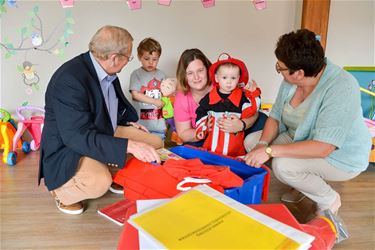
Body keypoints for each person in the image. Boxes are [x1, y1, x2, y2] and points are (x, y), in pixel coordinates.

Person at [244, 29, 371, 214]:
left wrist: (270, 150)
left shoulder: (342, 86)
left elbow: (324, 147)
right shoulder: (291, 80)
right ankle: (304, 184)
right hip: (298, 137)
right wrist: (262, 144)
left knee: (283, 166)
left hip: (339, 155)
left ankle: (329, 199)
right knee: (252, 143)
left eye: (280, 68)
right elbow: (275, 115)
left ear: (299, 73)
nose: (279, 70)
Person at [38, 25, 162, 215]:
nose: (128, 62)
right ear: (114, 58)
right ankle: (62, 192)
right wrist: (130, 146)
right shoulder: (70, 79)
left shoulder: (106, 70)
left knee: (156, 143)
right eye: (128, 57)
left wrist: (127, 122)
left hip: (102, 129)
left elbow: (107, 104)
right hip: (70, 145)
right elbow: (76, 137)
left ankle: (112, 170)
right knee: (98, 182)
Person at [174, 49, 266, 147]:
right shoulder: (182, 97)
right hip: (204, 139)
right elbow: (183, 133)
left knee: (262, 119)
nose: (196, 77)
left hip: (236, 134)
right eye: (190, 73)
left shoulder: (225, 83)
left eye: (200, 70)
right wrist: (205, 130)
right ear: (184, 76)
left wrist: (241, 125)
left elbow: (254, 112)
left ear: (208, 70)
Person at [195, 54, 261, 156]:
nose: (229, 82)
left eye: (233, 78)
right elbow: (200, 111)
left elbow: (252, 110)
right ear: (217, 78)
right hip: (212, 148)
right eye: (224, 77)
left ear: (238, 79)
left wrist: (253, 95)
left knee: (234, 169)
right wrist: (204, 125)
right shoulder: (209, 98)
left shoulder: (243, 98)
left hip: (235, 150)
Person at [129, 37, 167, 139]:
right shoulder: (136, 74)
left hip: (158, 124)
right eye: (147, 59)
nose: (151, 62)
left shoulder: (161, 74)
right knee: (142, 152)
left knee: (159, 152)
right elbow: (135, 94)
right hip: (141, 125)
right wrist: (154, 101)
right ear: (139, 57)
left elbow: (166, 96)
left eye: (154, 59)